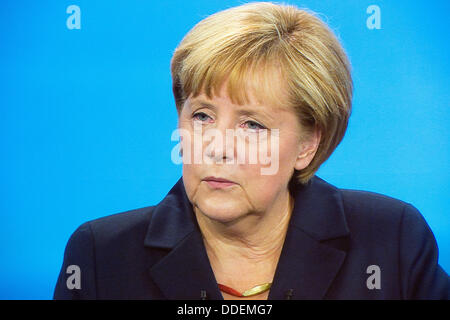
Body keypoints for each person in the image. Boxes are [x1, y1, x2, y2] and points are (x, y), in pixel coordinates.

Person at [53, 2, 449, 299]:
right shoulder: (101, 256)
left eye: (252, 125)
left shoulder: (390, 239)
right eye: (203, 116)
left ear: (307, 145)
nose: (217, 147)